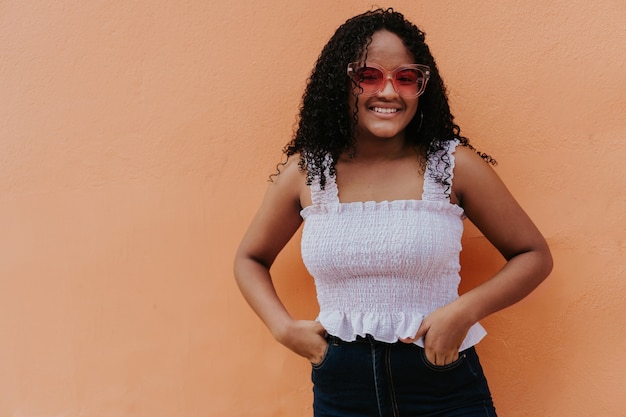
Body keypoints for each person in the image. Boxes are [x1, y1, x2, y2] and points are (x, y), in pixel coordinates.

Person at [234, 8, 552, 417]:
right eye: (368, 76)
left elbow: (533, 255)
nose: (389, 92)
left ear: (422, 87)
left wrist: (464, 311)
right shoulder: (308, 172)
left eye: (405, 78)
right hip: (341, 388)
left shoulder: (453, 167)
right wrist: (283, 328)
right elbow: (250, 258)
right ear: (341, 84)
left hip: (441, 383)